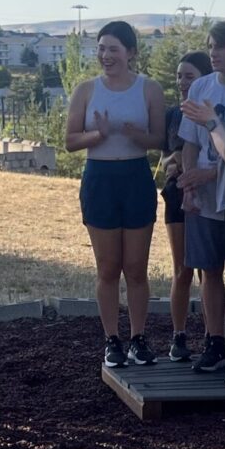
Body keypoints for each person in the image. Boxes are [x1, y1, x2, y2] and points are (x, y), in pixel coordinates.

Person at [65, 21, 166, 368]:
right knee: (108, 268)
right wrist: (99, 134)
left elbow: (159, 139)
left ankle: (138, 338)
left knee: (136, 268)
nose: (105, 55)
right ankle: (112, 340)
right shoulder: (86, 90)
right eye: (101, 49)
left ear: (131, 52)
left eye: (113, 49)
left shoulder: (150, 89)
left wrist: (138, 135)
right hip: (100, 179)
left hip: (136, 177)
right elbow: (70, 141)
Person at [177, 20, 225, 373]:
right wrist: (190, 185)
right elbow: (190, 143)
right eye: (210, 46)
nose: (213, 52)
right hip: (205, 200)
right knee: (209, 271)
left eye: (220, 46)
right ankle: (215, 341)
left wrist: (209, 174)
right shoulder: (201, 87)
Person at [160, 51, 212, 361]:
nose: (182, 82)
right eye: (179, 76)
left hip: (208, 194)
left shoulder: (214, 109)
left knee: (209, 270)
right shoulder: (172, 114)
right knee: (182, 270)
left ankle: (210, 334)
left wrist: (183, 161)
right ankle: (179, 335)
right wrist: (174, 160)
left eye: (189, 76)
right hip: (176, 195)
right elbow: (165, 159)